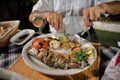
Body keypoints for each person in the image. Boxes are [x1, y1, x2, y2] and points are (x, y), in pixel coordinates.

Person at [29, 0, 120, 35]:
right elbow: (32, 16)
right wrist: (45, 14)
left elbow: (117, 5)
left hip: (83, 37)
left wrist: (104, 7)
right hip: (54, 37)